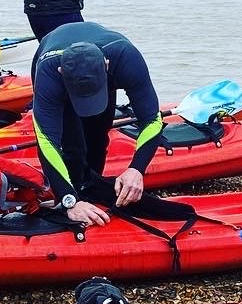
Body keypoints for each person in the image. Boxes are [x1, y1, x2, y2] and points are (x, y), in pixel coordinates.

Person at [30, 21, 163, 227]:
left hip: (103, 68)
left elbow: (152, 120)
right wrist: (69, 201)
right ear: (60, 71)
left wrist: (137, 169)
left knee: (98, 138)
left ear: (107, 65)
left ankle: (90, 190)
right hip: (51, 52)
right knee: (73, 147)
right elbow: (46, 141)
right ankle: (71, 199)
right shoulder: (49, 73)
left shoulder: (126, 59)